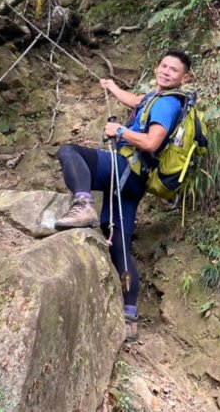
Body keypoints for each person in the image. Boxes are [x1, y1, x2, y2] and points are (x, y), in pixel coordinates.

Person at [53, 49, 191, 342]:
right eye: (163, 65)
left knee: (70, 152)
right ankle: (129, 314)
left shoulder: (165, 105)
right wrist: (112, 87)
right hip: (134, 183)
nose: (166, 71)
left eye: (173, 70)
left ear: (184, 78)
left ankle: (82, 202)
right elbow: (136, 101)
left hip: (125, 168)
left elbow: (152, 142)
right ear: (157, 67)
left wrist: (121, 131)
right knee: (117, 242)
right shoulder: (157, 99)